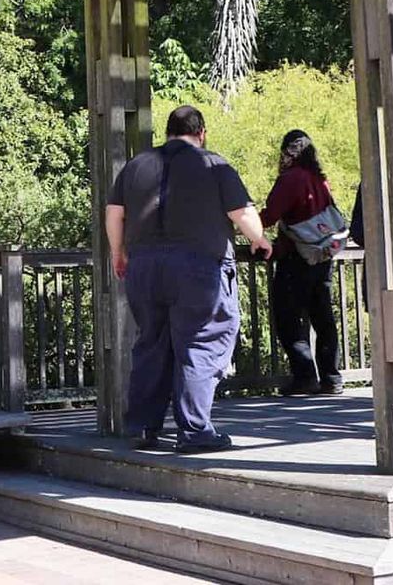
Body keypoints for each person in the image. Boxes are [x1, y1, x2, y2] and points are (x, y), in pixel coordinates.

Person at [105, 104, 272, 454]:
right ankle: (195, 431)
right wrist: (259, 239)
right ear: (202, 133)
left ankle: (143, 427)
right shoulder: (214, 164)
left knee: (151, 342)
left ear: (167, 133)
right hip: (198, 266)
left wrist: (118, 252)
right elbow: (242, 213)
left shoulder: (135, 166)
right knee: (201, 340)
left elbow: (114, 213)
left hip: (145, 266)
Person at [260, 129, 342, 397]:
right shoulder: (319, 180)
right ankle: (331, 377)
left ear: (287, 152)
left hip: (296, 257)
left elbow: (270, 215)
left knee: (287, 317)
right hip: (322, 255)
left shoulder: (291, 179)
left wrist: (244, 226)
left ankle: (305, 375)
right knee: (323, 316)